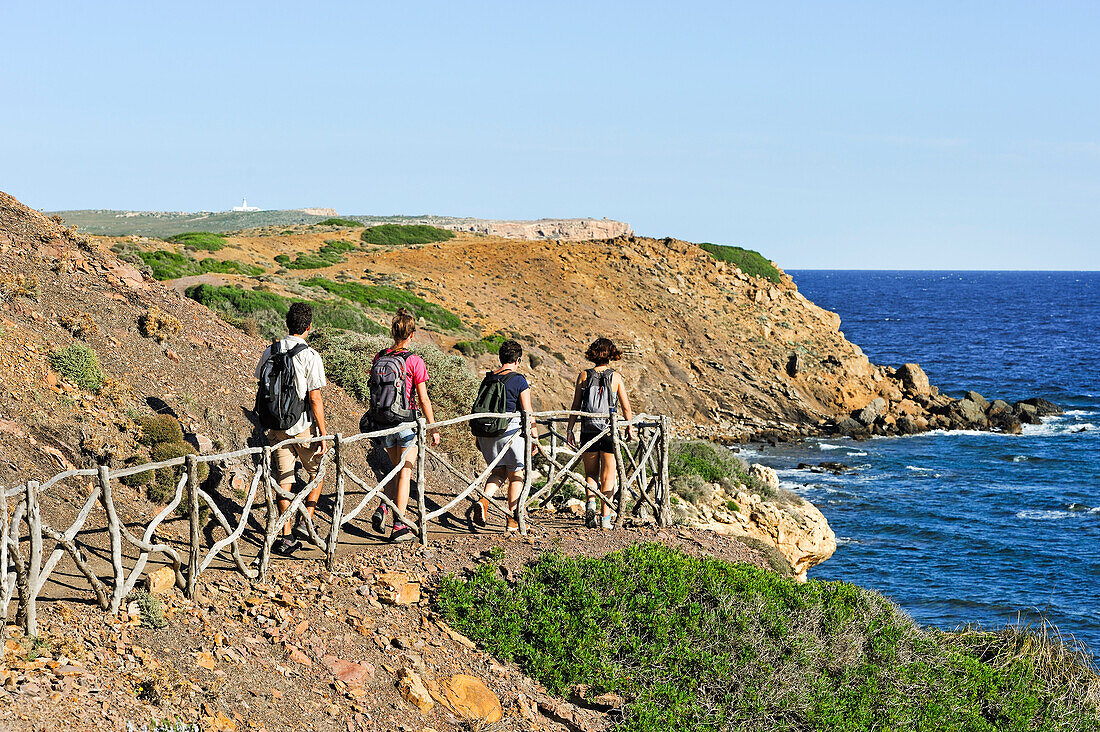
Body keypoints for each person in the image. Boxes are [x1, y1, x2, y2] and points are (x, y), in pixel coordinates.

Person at [255, 302, 328, 556]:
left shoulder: (270, 350)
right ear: (309, 327)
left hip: (275, 427)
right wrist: (322, 434)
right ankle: (307, 521)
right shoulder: (310, 356)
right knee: (317, 471)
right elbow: (315, 399)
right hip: (301, 426)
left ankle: (285, 536)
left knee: (283, 479)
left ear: (287, 323)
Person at [369, 308, 441, 542]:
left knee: (395, 469)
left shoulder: (379, 357)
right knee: (405, 472)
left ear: (393, 332)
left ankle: (383, 507)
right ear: (412, 335)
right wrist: (433, 427)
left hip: (384, 422)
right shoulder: (414, 361)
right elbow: (423, 398)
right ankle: (400, 525)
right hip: (407, 422)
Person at [566, 337, 634, 530]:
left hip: (588, 430)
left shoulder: (583, 375)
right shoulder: (616, 377)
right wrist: (629, 427)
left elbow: (575, 405)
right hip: (609, 432)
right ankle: (605, 519)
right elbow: (626, 408)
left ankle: (590, 504)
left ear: (593, 354)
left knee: (591, 474)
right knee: (608, 477)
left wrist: (570, 430)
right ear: (611, 354)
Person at [472, 340, 538, 534]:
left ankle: (484, 501)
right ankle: (512, 520)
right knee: (516, 474)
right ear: (518, 360)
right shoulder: (519, 380)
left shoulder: (488, 379)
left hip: (486, 434)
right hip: (510, 434)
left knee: (499, 472)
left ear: (501, 358)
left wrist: (478, 435)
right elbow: (528, 411)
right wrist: (534, 436)